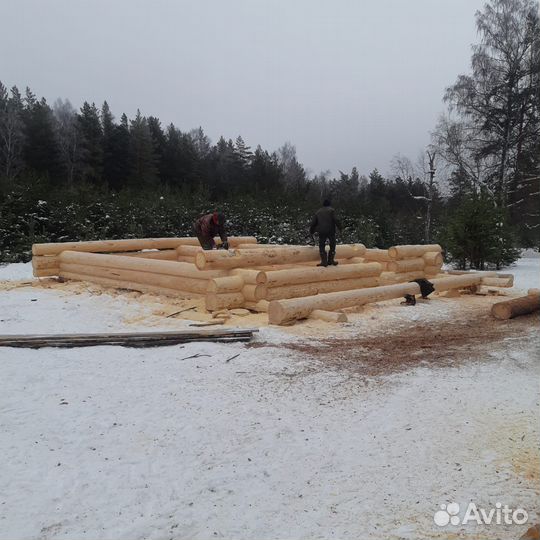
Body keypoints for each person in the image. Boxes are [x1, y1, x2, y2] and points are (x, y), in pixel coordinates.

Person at [309, 199, 341, 266]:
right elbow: (336, 220)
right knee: (332, 245)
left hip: (321, 231)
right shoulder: (332, 210)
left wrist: (311, 231)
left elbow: (313, 223)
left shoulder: (318, 212)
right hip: (330, 230)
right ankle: (331, 260)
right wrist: (340, 228)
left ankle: (324, 262)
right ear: (329, 204)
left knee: (321, 245)